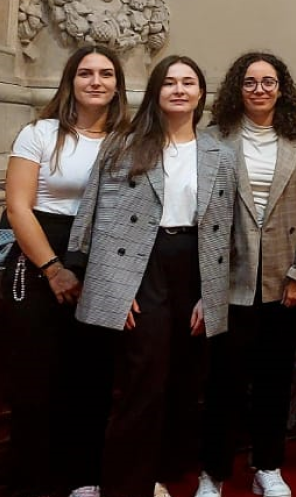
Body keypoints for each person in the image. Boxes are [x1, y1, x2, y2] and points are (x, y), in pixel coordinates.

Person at [66, 55, 238, 497]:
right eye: (169, 83)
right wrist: (114, 291)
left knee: (184, 381)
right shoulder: (125, 144)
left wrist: (211, 296)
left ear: (201, 93)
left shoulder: (220, 151)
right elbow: (98, 219)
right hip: (142, 264)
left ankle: (160, 475)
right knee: (145, 377)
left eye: (188, 82)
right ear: (156, 93)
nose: (179, 90)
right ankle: (125, 487)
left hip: (194, 264)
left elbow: (228, 230)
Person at [198, 52, 296, 497]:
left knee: (275, 380)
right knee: (222, 383)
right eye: (250, 82)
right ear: (237, 88)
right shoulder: (213, 138)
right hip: (228, 277)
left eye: (268, 82)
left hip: (282, 280)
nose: (259, 90)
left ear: (281, 88)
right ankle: (212, 472)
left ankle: (267, 466)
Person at [3, 45, 128, 497]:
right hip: (41, 253)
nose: (96, 81)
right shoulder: (41, 132)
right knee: (36, 385)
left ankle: (83, 480)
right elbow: (18, 207)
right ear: (71, 81)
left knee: (92, 380)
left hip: (104, 257)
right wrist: (54, 269)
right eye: (86, 73)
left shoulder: (130, 138)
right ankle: (31, 485)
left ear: (118, 85)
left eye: (106, 74)